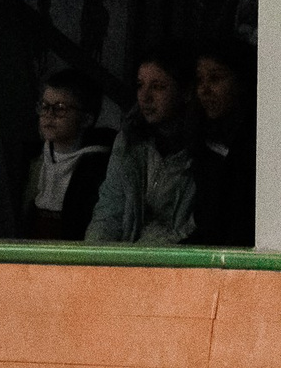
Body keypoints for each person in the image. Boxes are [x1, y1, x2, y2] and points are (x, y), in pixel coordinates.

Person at [86, 50, 197, 245]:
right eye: (140, 85)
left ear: (185, 92)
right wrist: (97, 255)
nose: (145, 97)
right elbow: (109, 210)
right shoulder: (129, 141)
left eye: (158, 87)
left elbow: (191, 228)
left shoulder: (203, 152)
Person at [22, 70, 113, 240]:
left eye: (60, 109)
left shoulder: (98, 168)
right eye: (44, 106)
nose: (49, 115)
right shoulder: (32, 159)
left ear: (86, 119)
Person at [192, 37, 255, 247]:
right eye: (199, 80)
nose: (204, 90)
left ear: (242, 82)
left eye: (215, 78)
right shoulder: (203, 140)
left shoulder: (260, 143)